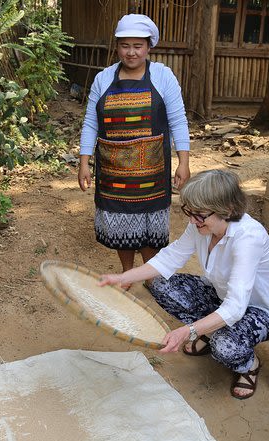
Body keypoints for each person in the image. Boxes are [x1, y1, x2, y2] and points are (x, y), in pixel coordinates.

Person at [99, 170, 269, 399]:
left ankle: (248, 365)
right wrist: (123, 277)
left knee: (225, 346)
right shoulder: (202, 225)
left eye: (199, 214)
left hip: (261, 311)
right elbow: (170, 257)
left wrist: (187, 331)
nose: (192, 220)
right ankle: (212, 329)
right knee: (160, 285)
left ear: (226, 210)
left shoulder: (249, 238)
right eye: (189, 211)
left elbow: (236, 307)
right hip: (222, 297)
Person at [78, 14, 190, 280]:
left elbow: (178, 120)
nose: (131, 52)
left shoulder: (163, 76)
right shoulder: (103, 79)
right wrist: (83, 162)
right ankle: (127, 274)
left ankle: (148, 277)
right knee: (119, 229)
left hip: (152, 173)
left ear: (149, 46)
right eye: (125, 45)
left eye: (137, 46)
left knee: (150, 228)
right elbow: (91, 123)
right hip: (113, 172)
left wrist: (184, 161)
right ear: (117, 47)